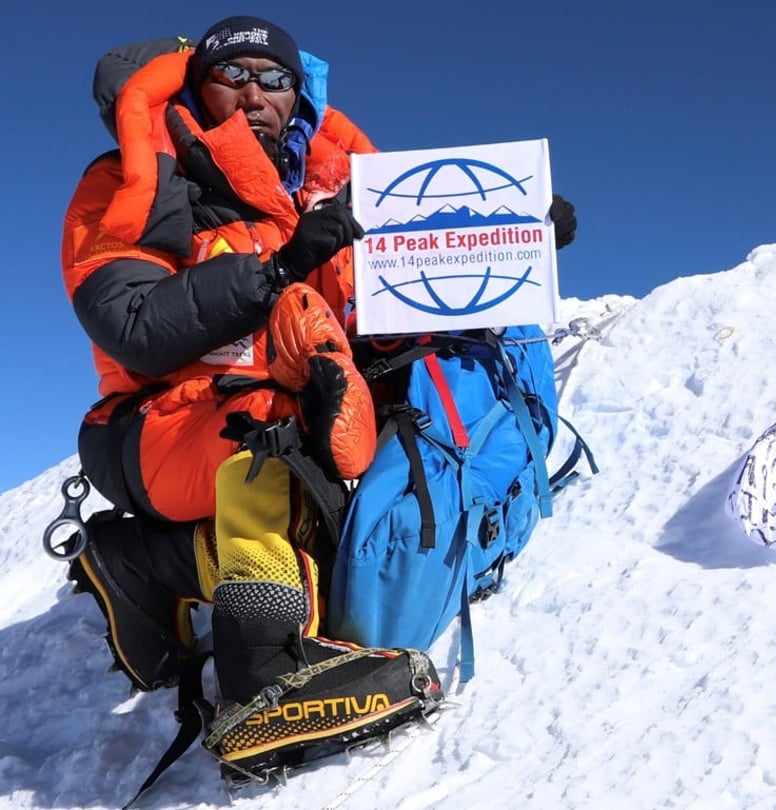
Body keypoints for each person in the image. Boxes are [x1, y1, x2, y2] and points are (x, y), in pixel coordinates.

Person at [61, 15, 577, 780]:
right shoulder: (132, 180)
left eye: (274, 79)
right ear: (197, 89)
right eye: (231, 75)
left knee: (356, 521)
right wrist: (274, 273)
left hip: (283, 411)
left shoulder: (314, 196)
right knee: (274, 450)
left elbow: (379, 327)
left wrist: (511, 244)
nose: (253, 94)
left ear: (298, 98)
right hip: (154, 427)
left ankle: (144, 564)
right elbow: (132, 323)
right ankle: (262, 686)